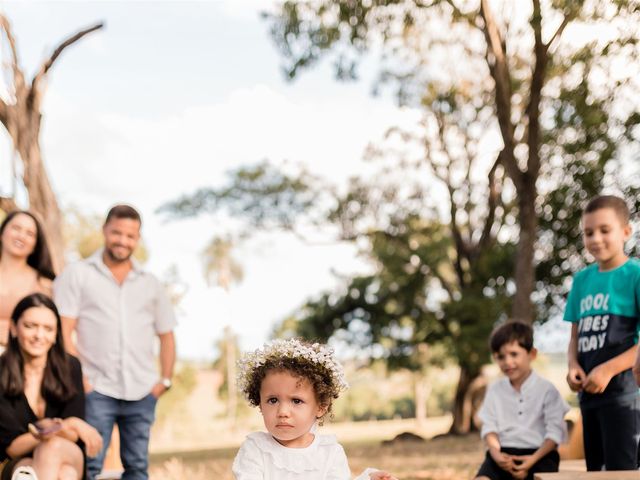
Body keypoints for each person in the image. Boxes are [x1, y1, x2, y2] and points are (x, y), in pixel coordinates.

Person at [53, 205, 176, 480]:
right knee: (90, 467)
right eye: (117, 233)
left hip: (142, 391)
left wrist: (164, 381)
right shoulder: (78, 274)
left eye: (130, 235)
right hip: (96, 389)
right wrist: (81, 381)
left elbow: (167, 335)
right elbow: (64, 331)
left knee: (137, 469)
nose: (123, 240)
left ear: (138, 238)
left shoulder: (151, 283)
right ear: (105, 230)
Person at [232, 338, 398, 480]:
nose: (283, 411)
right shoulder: (256, 448)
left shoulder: (329, 452)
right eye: (273, 400)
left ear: (320, 407)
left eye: (296, 401)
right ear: (260, 404)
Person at [564, 194, 640, 471]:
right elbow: (575, 336)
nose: (595, 239)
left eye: (604, 230)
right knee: (596, 471)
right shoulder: (582, 280)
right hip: (589, 397)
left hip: (624, 396)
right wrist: (573, 365)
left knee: (622, 471)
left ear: (626, 232)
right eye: (588, 233)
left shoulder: (635, 275)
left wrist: (608, 370)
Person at [0, 293, 102, 480]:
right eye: (30, 326)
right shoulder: (1, 372)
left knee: (52, 447)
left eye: (48, 329)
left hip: (68, 453)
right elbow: (13, 448)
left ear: (56, 334)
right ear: (14, 328)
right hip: (19, 460)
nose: (39, 336)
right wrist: (64, 425)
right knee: (64, 474)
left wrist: (55, 431)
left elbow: (72, 437)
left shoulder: (70, 367)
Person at [475, 321, 569, 480]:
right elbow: (489, 427)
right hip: (502, 455)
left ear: (532, 354)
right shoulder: (495, 390)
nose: (507, 362)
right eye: (500, 357)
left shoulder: (547, 390)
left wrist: (531, 461)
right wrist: (497, 455)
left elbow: (554, 434)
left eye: (514, 354)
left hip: (540, 455)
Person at [0, 211, 55, 350]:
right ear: (2, 232)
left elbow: (47, 329)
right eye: (16, 228)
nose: (21, 236)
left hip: (19, 360)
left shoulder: (44, 283)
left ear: (35, 244)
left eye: (29, 233)